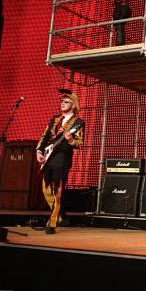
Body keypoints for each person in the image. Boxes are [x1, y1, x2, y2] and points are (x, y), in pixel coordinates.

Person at [36, 89, 85, 234]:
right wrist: (39, 151)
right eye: (62, 101)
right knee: (45, 188)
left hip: (62, 158)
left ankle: (51, 223)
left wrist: (70, 140)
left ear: (74, 105)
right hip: (48, 157)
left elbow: (79, 143)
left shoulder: (78, 123)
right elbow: (45, 136)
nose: (62, 103)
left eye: (66, 101)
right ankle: (61, 215)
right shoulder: (54, 119)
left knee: (57, 189)